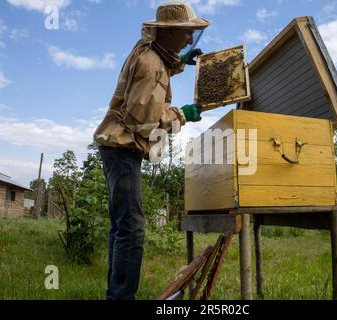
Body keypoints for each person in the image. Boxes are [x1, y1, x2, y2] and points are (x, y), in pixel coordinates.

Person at [93, 1, 211, 300]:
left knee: (122, 227)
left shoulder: (149, 50)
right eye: (185, 34)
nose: (188, 39)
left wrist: (182, 60)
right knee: (132, 229)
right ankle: (121, 297)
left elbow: (164, 62)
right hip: (122, 148)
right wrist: (183, 113)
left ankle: (115, 294)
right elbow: (143, 123)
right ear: (166, 32)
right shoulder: (151, 66)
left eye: (191, 35)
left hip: (116, 147)